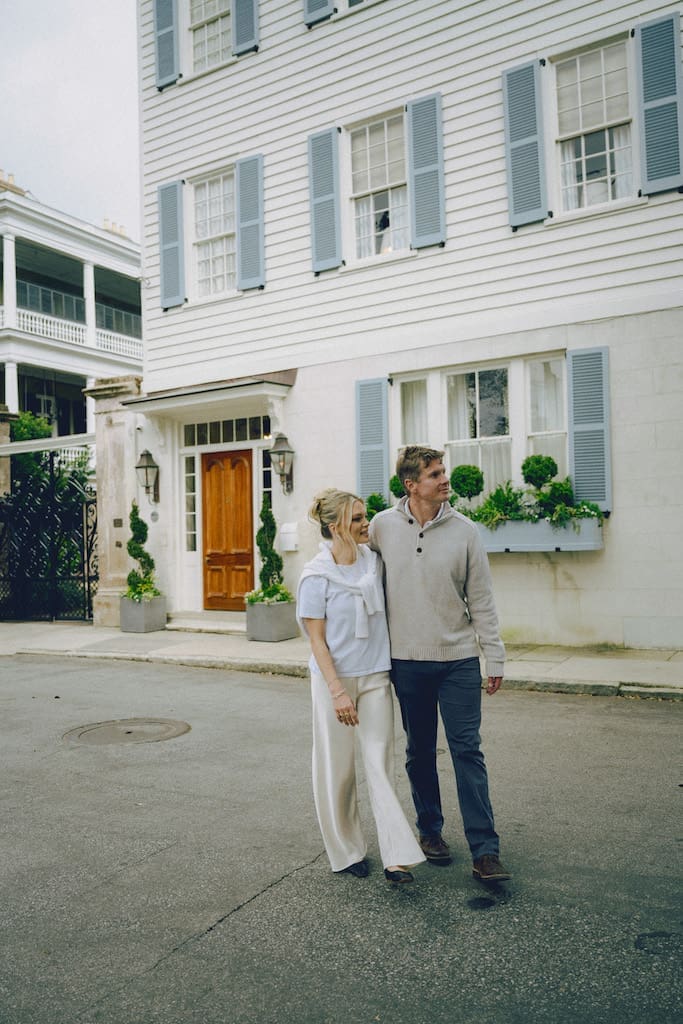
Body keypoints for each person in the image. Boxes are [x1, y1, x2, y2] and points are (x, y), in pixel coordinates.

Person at [368, 446, 511, 882]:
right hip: (407, 662)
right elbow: (356, 574)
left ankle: (485, 850)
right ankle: (430, 832)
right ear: (411, 485)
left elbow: (481, 599)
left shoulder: (465, 531)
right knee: (420, 752)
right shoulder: (381, 528)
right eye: (434, 474)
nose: (444, 479)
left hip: (459, 660)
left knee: (468, 750)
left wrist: (495, 656)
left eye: (443, 471)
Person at [296, 488, 425, 886]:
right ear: (335, 527)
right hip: (334, 680)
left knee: (380, 761)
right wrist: (337, 692)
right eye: (357, 519)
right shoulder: (315, 576)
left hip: (374, 676)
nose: (366, 523)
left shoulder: (374, 562)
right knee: (338, 768)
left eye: (365, 516)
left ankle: (396, 855)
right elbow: (316, 641)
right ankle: (347, 850)